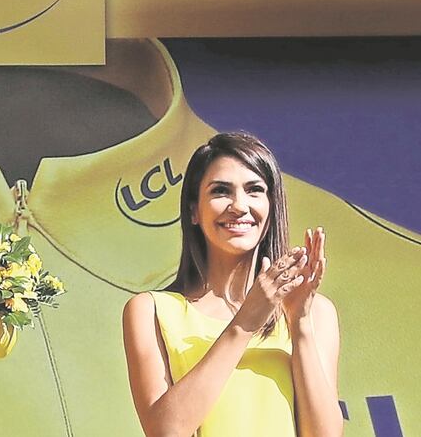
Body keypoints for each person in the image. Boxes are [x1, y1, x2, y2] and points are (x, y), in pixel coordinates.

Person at [121, 132, 342, 436]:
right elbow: (164, 431)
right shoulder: (151, 310)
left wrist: (300, 322)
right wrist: (245, 322)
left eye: (255, 190)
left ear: (271, 206)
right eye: (221, 191)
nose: (239, 206)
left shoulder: (316, 312)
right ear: (193, 210)